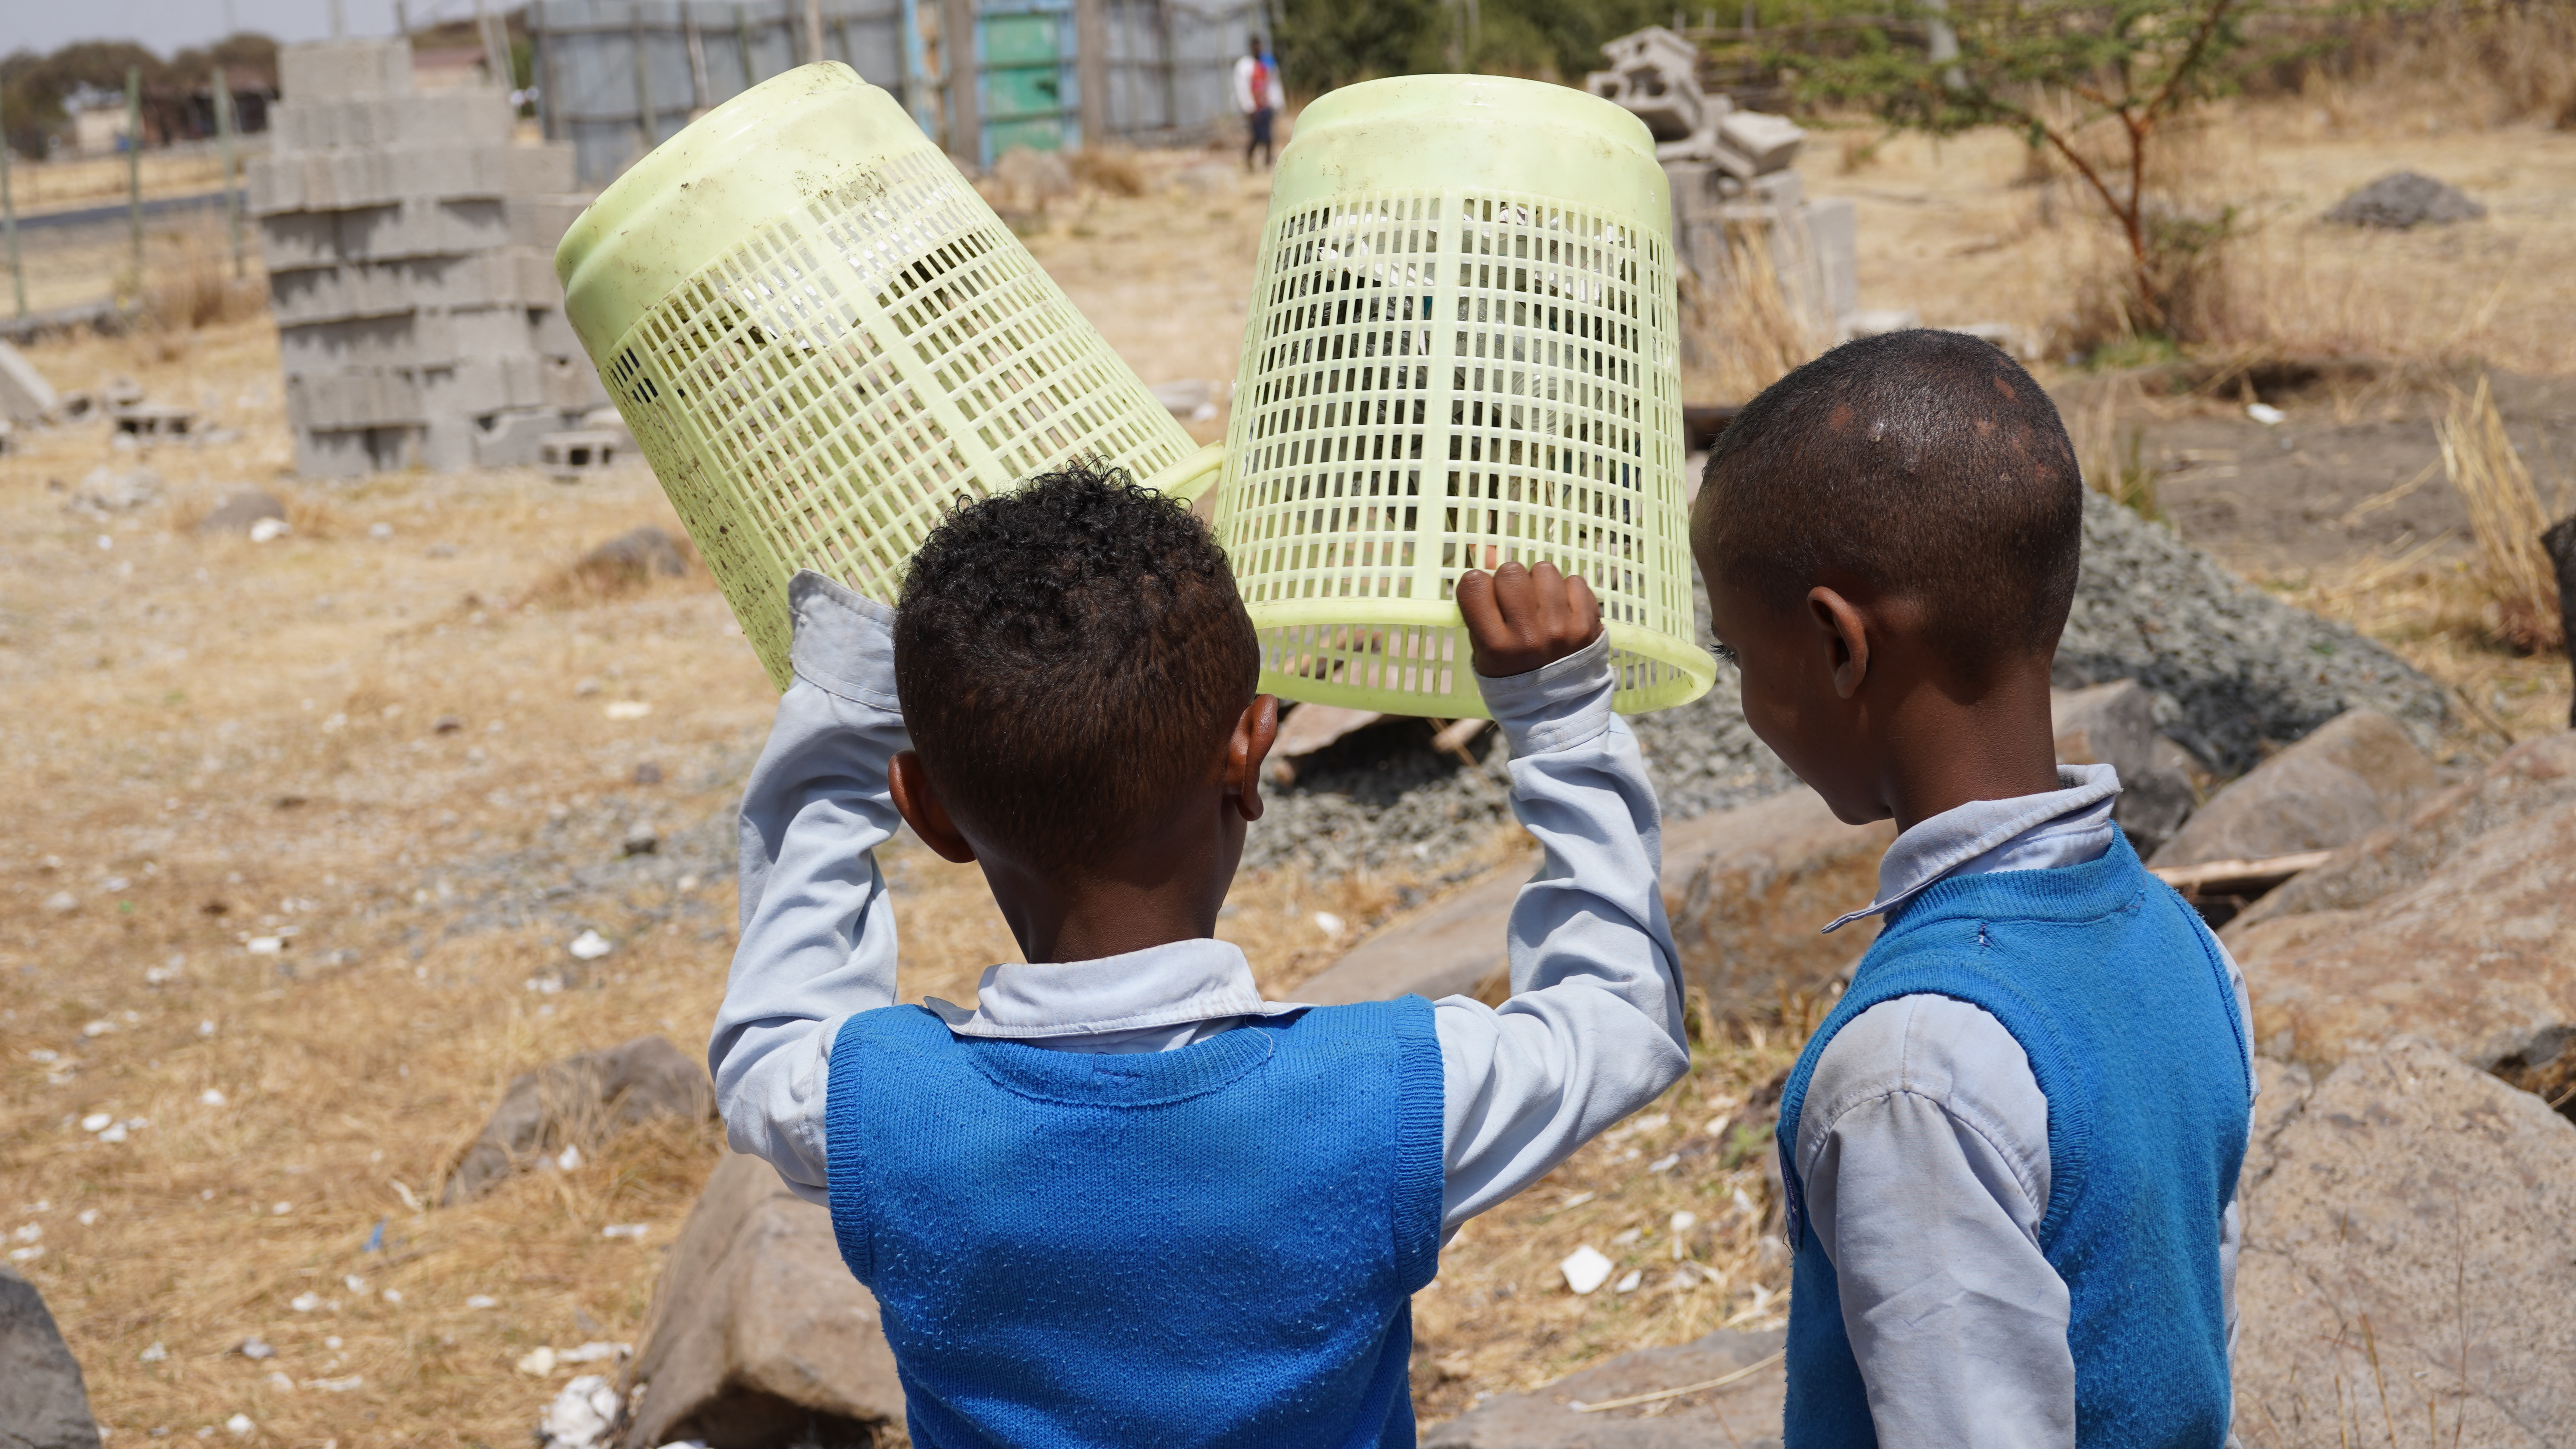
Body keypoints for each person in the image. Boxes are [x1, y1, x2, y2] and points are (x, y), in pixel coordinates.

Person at [711, 462, 1687, 1447]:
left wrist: (843, 706)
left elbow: (769, 1035)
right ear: (1251, 749)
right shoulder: (1392, 1095)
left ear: (924, 811)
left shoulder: (875, 1111)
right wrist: (1558, 716)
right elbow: (1620, 1016)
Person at [1690, 330, 2255, 1447]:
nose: (1748, 704)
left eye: (1741, 656)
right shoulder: (2187, 947)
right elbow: (2197, 1335)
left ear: (1837, 644)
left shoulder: (1910, 1071)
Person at [1233, 36, 1282, 170]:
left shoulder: (1268, 63)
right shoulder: (1245, 66)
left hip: (1266, 105)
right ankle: (1249, 160)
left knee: (1269, 137)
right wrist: (1248, 108)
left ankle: (1268, 164)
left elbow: (1274, 84)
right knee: (1257, 136)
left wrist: (1277, 103)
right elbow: (1242, 88)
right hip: (1254, 109)